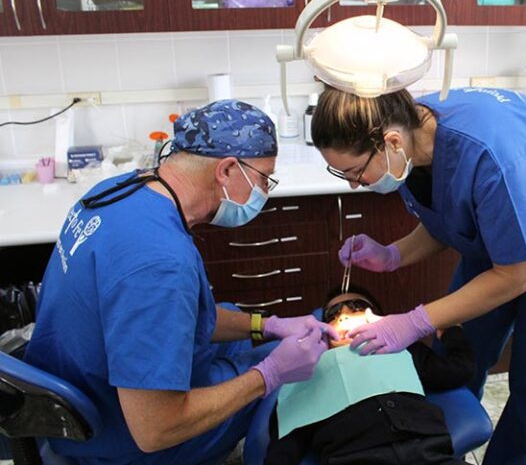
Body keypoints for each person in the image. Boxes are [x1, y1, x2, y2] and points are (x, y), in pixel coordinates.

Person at [309, 86, 526, 465]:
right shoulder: (408, 137)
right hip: (501, 238)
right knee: (463, 346)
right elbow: (451, 214)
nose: (353, 184)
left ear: (390, 142)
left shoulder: (490, 154)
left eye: (356, 172)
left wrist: (414, 321)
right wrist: (393, 254)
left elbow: (514, 276)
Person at [24, 99, 337, 465]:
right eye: (264, 178)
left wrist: (267, 325)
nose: (264, 193)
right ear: (227, 170)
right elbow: (155, 429)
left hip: (75, 393)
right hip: (119, 437)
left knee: (239, 321)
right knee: (285, 373)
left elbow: (185, 314)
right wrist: (269, 374)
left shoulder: (118, 191)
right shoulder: (161, 264)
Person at [263, 285, 476, 465]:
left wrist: (450, 331)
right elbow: (285, 443)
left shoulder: (405, 350)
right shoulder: (308, 371)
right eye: (333, 313)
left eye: (356, 307)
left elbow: (459, 369)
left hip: (430, 455)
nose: (344, 314)